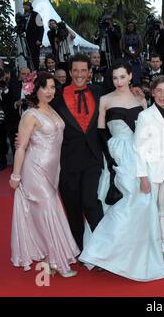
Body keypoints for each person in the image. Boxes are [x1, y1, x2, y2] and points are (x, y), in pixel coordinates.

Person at [79, 62, 164, 281]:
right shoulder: (105, 100)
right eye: (115, 78)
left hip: (139, 154)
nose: (119, 82)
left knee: (143, 203)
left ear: (130, 77)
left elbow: (148, 132)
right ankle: (103, 250)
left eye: (122, 77)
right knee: (122, 201)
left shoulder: (140, 99)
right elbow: (100, 131)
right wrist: (109, 159)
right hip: (115, 154)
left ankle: (131, 254)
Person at [10, 72, 79, 277]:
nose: (50, 91)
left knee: (48, 212)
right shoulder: (30, 115)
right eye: (45, 87)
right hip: (34, 170)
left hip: (52, 170)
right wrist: (15, 176)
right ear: (34, 90)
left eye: (52, 87)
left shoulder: (51, 109)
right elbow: (21, 147)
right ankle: (54, 261)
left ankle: (49, 257)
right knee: (47, 212)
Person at [51, 54, 104, 251]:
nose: (80, 74)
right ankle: (80, 249)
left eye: (84, 70)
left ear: (89, 72)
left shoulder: (99, 93)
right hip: (67, 160)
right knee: (73, 209)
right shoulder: (56, 99)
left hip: (92, 158)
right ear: (70, 72)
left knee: (90, 203)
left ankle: (102, 249)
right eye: (76, 70)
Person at [134, 76, 164, 264]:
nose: (162, 95)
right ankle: (148, 247)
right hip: (151, 170)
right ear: (152, 92)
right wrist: (142, 176)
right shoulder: (145, 116)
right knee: (149, 211)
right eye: (159, 91)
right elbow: (138, 147)